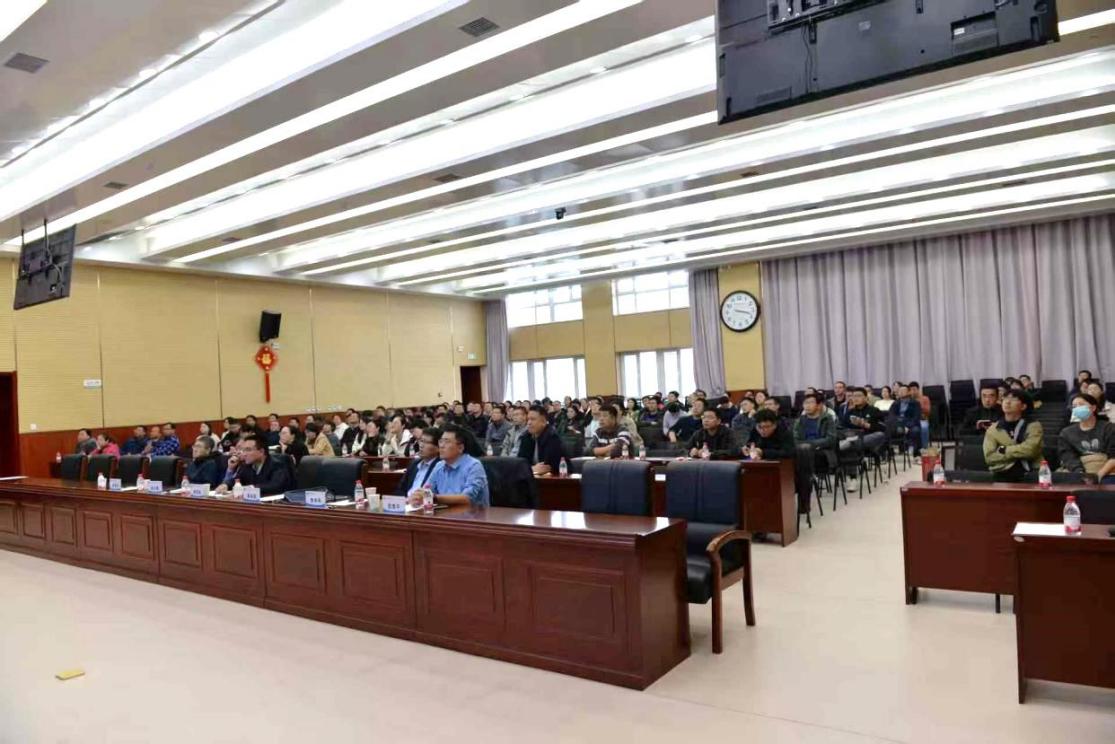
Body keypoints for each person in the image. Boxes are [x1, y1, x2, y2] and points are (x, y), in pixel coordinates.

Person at [409, 425, 489, 508]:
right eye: (441, 441)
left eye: (446, 442)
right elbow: (427, 490)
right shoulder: (439, 465)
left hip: (474, 514)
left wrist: (434, 497)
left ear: (460, 448)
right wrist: (418, 496)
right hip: (446, 514)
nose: (441, 446)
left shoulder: (474, 466)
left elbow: (468, 498)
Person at [983, 390, 1043, 482]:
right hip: (1002, 473)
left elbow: (1030, 450)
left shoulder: (1033, 426)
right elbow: (990, 457)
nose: (1007, 402)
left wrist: (1002, 449)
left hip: (1031, 472)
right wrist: (1019, 450)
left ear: (1023, 406)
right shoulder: (993, 429)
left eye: (1013, 399)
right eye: (1005, 398)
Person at [1058, 393, 1115, 482]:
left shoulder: (1109, 428)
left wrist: (1098, 476)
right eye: (1074, 406)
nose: (1077, 408)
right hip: (1080, 471)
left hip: (1107, 471)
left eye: (1081, 404)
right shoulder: (1066, 433)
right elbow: (1068, 457)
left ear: (1093, 408)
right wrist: (1080, 474)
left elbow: (1113, 456)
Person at [216, 434, 291, 496]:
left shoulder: (277, 464)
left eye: (248, 450)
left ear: (261, 451)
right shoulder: (246, 465)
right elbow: (237, 480)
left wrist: (250, 488)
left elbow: (275, 486)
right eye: (243, 450)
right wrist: (226, 485)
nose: (244, 454)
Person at [517, 404, 564, 475]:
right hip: (531, 476)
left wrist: (530, 469)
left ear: (544, 422)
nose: (529, 423)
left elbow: (547, 467)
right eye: (528, 419)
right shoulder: (526, 437)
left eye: (533, 419)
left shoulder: (552, 438)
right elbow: (520, 463)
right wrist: (531, 469)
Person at [397, 427, 441, 496]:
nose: (421, 445)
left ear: (438, 448)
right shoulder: (414, 463)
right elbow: (401, 489)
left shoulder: (440, 467)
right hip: (407, 501)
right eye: (421, 441)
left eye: (426, 442)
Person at [893, 384, 923, 455]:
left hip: (910, 424)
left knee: (915, 430)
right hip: (898, 424)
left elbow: (916, 417)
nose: (901, 392)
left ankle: (913, 448)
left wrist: (907, 426)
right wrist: (900, 425)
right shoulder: (895, 403)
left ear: (908, 392)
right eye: (900, 391)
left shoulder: (915, 403)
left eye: (903, 391)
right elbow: (892, 415)